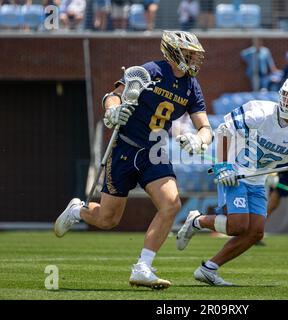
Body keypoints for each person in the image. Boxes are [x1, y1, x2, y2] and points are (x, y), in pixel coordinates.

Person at [54, 31, 212, 290]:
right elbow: (113, 96)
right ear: (175, 53)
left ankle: (143, 267)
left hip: (155, 152)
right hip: (125, 149)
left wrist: (200, 140)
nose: (195, 59)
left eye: (196, 55)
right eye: (190, 54)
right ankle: (78, 210)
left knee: (171, 204)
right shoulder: (151, 71)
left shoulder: (192, 85)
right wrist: (112, 110)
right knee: (108, 219)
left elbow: (205, 126)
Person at [177, 76, 288, 286]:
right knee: (238, 226)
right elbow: (224, 130)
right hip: (234, 171)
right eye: (287, 96)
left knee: (255, 232)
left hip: (257, 178)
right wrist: (223, 166)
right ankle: (197, 221)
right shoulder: (262, 112)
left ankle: (209, 269)